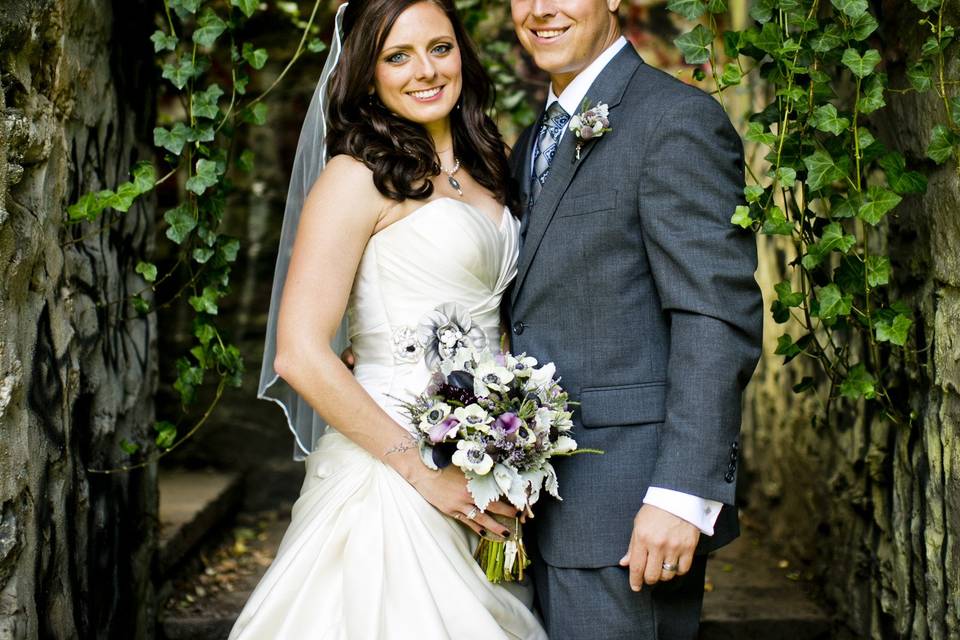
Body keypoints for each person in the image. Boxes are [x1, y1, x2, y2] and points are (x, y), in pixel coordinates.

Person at [233, 1, 548, 637]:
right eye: (396, 56)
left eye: (440, 47)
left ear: (463, 52)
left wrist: (517, 444)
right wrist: (420, 471)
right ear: (366, 72)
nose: (425, 71)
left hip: (487, 462)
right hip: (391, 469)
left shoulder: (490, 165)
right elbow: (298, 351)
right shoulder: (355, 178)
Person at [504, 1, 764, 638]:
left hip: (631, 512)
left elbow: (715, 313)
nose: (539, 10)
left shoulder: (675, 121)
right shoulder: (531, 140)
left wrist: (681, 493)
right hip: (533, 507)